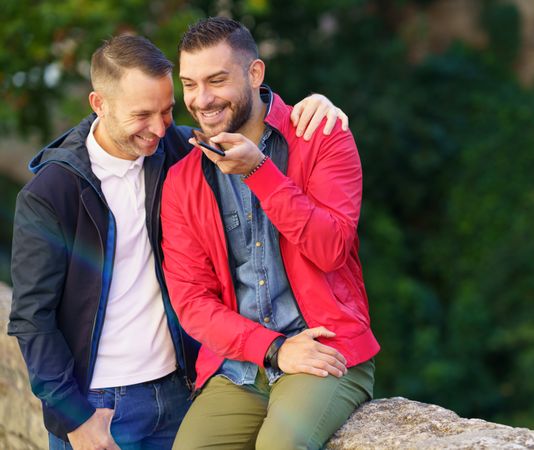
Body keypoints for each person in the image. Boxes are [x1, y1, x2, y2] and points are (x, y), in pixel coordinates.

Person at [8, 33, 349, 450]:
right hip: (98, 406)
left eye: (167, 110)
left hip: (178, 392)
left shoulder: (173, 149)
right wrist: (74, 418)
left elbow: (249, 118)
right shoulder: (52, 193)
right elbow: (31, 318)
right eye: (142, 115)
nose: (158, 128)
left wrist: (314, 107)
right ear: (99, 104)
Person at [160, 17, 380, 449]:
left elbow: (332, 248)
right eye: (189, 84)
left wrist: (260, 173)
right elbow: (192, 302)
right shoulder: (183, 180)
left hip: (325, 350)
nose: (201, 100)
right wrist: (273, 348)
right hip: (241, 364)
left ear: (255, 73)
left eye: (217, 80)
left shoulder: (322, 137)